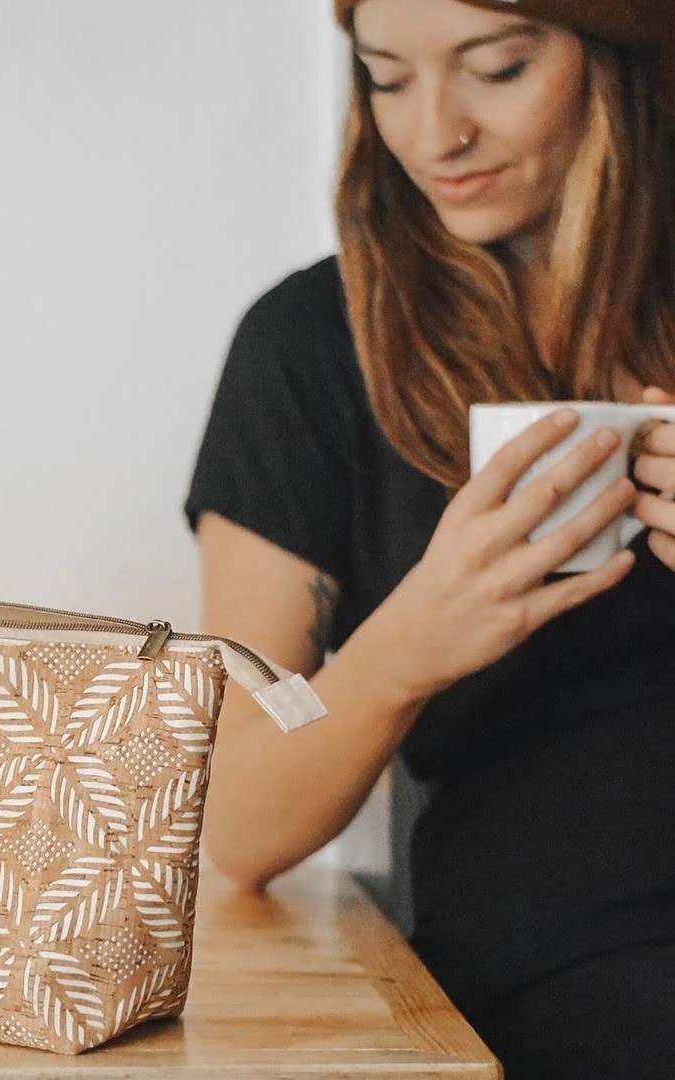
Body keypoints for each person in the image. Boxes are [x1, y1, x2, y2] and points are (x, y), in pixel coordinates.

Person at [183, 1, 675, 1076]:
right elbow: (239, 825)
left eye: (496, 70)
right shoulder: (315, 348)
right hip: (563, 968)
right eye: (388, 77)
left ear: (621, 56)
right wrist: (412, 642)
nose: (435, 133)